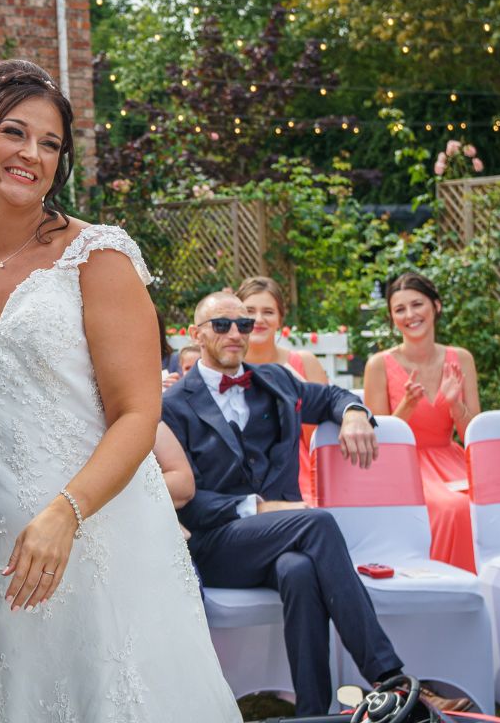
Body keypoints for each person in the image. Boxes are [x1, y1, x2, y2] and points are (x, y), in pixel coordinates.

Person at [0, 59, 241, 722]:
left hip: (98, 530)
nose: (32, 155)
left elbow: (137, 412)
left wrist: (65, 513)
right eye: (14, 132)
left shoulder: (97, 258)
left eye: (50, 143)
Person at [162, 292, 471, 716]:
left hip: (281, 547)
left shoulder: (276, 379)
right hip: (219, 544)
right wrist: (256, 507)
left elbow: (333, 398)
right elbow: (184, 501)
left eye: (244, 324)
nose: (235, 334)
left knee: (300, 570)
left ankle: (314, 711)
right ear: (196, 335)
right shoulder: (172, 406)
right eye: (222, 325)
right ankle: (390, 678)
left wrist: (355, 414)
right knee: (317, 523)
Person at [363, 272, 479, 573]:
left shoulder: (461, 358)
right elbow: (379, 439)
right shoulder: (378, 365)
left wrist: (456, 405)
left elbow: (473, 437)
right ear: (392, 318)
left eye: (417, 305)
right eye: (399, 309)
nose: (410, 315)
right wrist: (407, 405)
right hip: (404, 463)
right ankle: (445, 583)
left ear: (436, 306)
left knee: (489, 500)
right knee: (454, 508)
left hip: (452, 460)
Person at [237, 276, 329, 501]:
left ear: (280, 319)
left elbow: (317, 438)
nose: (258, 319)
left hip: (296, 470)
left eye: (268, 312)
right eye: (250, 310)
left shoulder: (304, 363)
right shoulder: (224, 366)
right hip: (239, 469)